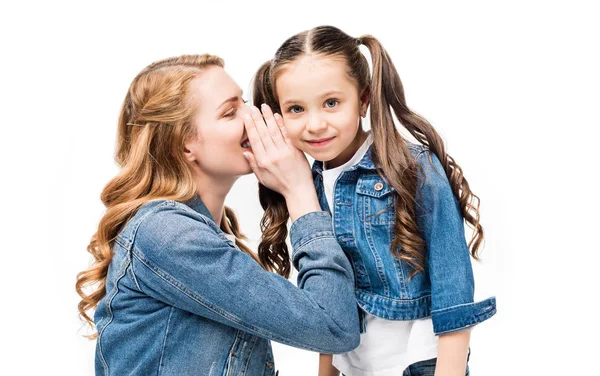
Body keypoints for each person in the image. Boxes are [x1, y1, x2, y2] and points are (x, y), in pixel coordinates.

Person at [75, 53, 360, 376]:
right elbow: (334, 326)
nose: (254, 117)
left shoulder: (206, 232)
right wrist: (299, 192)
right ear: (184, 146)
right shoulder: (167, 233)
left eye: (246, 102)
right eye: (230, 112)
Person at [252, 26, 497, 376]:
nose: (315, 124)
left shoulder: (414, 167)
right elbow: (329, 293)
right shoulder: (307, 186)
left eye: (332, 103)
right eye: (296, 109)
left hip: (420, 362)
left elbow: (453, 281)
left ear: (363, 99)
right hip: (355, 366)